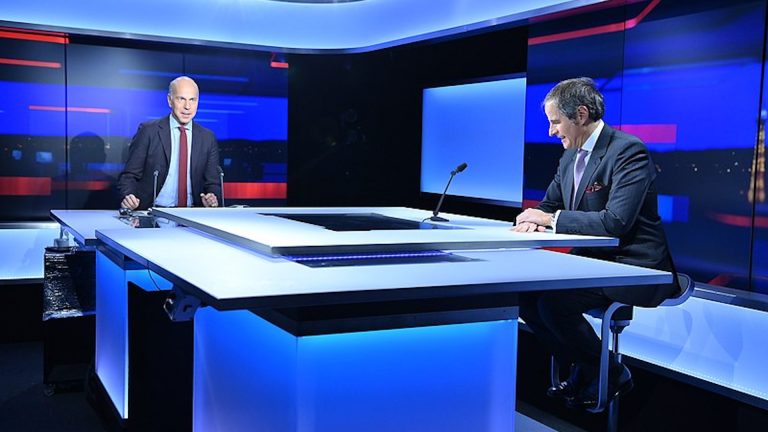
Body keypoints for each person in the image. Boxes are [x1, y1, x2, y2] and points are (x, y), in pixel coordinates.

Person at [513, 77, 677, 409]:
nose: (551, 131)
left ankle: (611, 375)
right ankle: (589, 369)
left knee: (553, 305)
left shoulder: (628, 151)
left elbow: (616, 222)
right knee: (526, 299)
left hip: (633, 265)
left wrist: (549, 220)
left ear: (581, 115)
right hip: (591, 262)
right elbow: (548, 205)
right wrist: (531, 219)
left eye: (555, 122)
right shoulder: (568, 157)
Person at [118, 76, 221, 210]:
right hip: (153, 211)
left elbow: (213, 183)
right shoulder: (148, 131)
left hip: (193, 213)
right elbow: (129, 176)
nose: (187, 106)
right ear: (169, 100)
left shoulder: (207, 137)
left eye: (192, 100)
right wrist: (129, 196)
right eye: (181, 99)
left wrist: (212, 198)